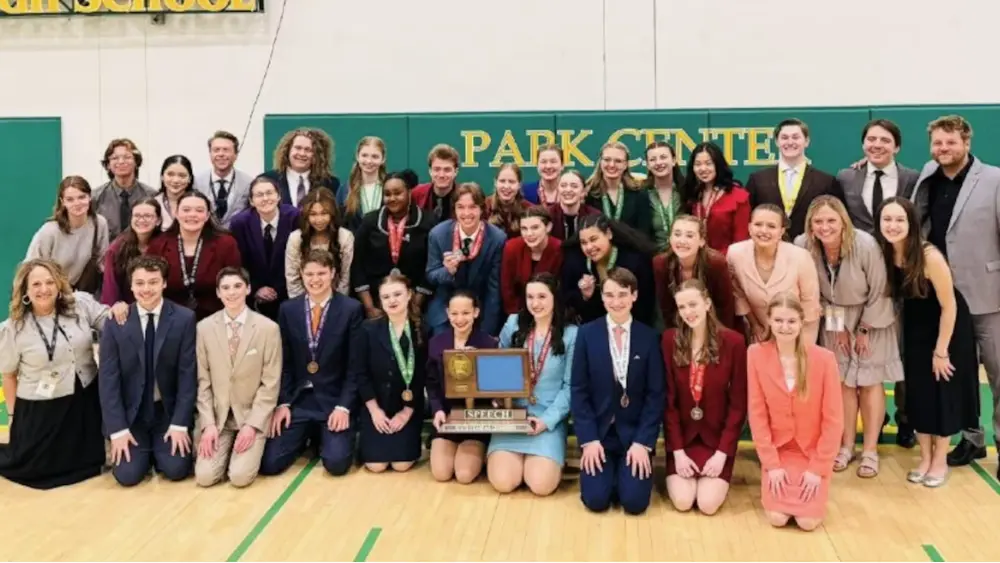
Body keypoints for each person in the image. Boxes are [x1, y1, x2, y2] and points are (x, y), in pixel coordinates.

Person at [909, 115, 1000, 472]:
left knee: (997, 374)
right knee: (957, 375)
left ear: (967, 142)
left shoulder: (993, 179)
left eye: (950, 142)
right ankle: (972, 441)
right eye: (937, 143)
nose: (943, 149)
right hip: (941, 297)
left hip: (986, 294)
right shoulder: (927, 176)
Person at [795, 196, 902, 478]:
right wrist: (836, 324)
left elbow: (881, 289)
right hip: (833, 318)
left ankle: (870, 450)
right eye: (818, 221)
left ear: (843, 221)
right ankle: (846, 445)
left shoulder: (865, 245)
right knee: (841, 381)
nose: (825, 226)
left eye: (831, 220)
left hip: (872, 316)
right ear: (810, 224)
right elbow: (812, 291)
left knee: (869, 382)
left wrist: (865, 329)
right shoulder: (802, 245)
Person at [877, 197, 978, 487]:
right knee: (918, 395)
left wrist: (942, 351)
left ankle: (939, 460)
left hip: (947, 328)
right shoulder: (886, 252)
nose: (893, 225)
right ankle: (924, 457)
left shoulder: (929, 255)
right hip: (915, 328)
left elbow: (950, 307)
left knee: (941, 393)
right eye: (887, 219)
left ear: (911, 223)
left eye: (899, 220)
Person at [0, 259, 111, 489]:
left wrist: (118, 310)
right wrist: (13, 418)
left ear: (59, 285)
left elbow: (108, 320)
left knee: (91, 464)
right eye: (37, 284)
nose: (44, 289)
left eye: (50, 282)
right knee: (33, 470)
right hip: (41, 408)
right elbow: (9, 375)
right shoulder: (14, 328)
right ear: (26, 291)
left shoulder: (79, 305)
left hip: (82, 400)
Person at [260, 249, 364, 477]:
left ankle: (325, 436)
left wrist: (344, 406)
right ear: (301, 274)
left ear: (333, 273)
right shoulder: (288, 309)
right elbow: (284, 362)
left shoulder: (351, 309)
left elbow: (355, 365)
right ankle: (307, 437)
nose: (315, 280)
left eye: (321, 273)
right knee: (269, 464)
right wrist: (284, 403)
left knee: (336, 465)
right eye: (309, 274)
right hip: (300, 401)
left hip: (333, 401)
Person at [571, 268, 665, 515]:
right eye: (609, 295)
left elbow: (655, 396)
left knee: (634, 503)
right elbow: (579, 392)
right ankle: (612, 475)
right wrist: (588, 440)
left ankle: (624, 474)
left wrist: (643, 443)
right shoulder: (587, 334)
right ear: (601, 297)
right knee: (595, 501)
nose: (616, 302)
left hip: (633, 434)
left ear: (634, 296)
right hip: (600, 433)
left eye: (623, 294)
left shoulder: (649, 337)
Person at [747, 291, 843, 531]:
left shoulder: (824, 359)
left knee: (808, 522)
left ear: (802, 322)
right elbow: (757, 415)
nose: (785, 327)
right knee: (777, 519)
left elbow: (833, 421)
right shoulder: (755, 354)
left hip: (812, 453)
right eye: (778, 320)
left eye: (791, 321)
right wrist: (771, 464)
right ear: (769, 320)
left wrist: (818, 468)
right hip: (778, 452)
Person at [98, 255, 198, 486]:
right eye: (140, 283)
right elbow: (108, 381)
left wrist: (180, 423)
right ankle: (146, 451)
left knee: (176, 469)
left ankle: (159, 451)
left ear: (164, 283)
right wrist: (118, 431)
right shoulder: (115, 322)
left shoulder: (184, 319)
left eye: (153, 282)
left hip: (166, 413)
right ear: (131, 286)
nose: (146, 289)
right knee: (128, 476)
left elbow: (187, 376)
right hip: (132, 416)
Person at [662, 279, 747, 515]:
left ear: (707, 303)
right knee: (682, 502)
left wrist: (722, 454)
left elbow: (738, 406)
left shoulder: (734, 342)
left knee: (708, 505)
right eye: (682, 307)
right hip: (683, 441)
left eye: (693, 304)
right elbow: (668, 403)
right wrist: (677, 452)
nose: (688, 312)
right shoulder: (669, 340)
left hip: (716, 441)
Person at [489, 273, 576, 496]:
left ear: (555, 298)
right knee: (503, 482)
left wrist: (546, 421)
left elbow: (570, 387)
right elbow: (495, 369)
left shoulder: (571, 334)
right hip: (512, 416)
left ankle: (553, 455)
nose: (535, 303)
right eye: (530, 297)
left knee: (541, 485)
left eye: (542, 297)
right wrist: (497, 399)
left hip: (547, 417)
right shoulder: (513, 324)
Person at [194, 267, 281, 488]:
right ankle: (222, 450)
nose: (231, 292)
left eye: (237, 286)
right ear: (218, 293)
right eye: (225, 288)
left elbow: (270, 383)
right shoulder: (203, 328)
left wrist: (253, 425)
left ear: (248, 289)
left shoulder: (268, 329)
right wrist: (208, 425)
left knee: (240, 477)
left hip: (251, 415)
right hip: (219, 417)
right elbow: (202, 382)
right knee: (204, 477)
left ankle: (244, 452)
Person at [425, 290, 498, 483]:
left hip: (476, 418)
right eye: (454, 313)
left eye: (465, 313)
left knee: (464, 475)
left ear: (476, 312)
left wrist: (477, 364)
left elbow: (496, 387)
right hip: (448, 416)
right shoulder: (436, 343)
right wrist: (438, 410)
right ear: (447, 313)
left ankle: (482, 453)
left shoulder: (489, 344)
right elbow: (431, 384)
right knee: (441, 473)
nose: (460, 319)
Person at [356, 274, 426, 472]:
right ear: (380, 300)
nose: (392, 300)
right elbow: (360, 373)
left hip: (407, 405)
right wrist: (374, 411)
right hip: (375, 405)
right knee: (376, 466)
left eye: (397, 294)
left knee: (401, 465)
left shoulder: (422, 329)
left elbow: (422, 376)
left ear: (409, 295)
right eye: (386, 297)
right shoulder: (367, 329)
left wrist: (407, 411)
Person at [728, 204, 821, 344]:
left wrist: (802, 345)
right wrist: (754, 325)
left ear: (781, 231)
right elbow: (739, 295)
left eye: (771, 226)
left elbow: (810, 306)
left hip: (797, 333)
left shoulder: (801, 257)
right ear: (749, 227)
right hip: (758, 331)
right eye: (758, 224)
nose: (764, 231)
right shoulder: (735, 253)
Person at [146, 191, 242, 321]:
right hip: (169, 319)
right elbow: (149, 284)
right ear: (176, 213)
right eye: (186, 210)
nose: (192, 215)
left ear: (207, 215)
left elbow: (235, 284)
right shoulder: (159, 245)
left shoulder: (226, 244)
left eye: (199, 210)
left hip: (216, 319)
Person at [425, 182, 506, 336]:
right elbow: (431, 275)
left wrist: (488, 330)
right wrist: (448, 271)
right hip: (445, 308)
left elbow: (493, 289)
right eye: (461, 207)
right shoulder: (438, 234)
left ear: (482, 209)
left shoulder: (497, 238)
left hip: (480, 308)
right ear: (454, 209)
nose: (466, 213)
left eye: (472, 207)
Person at [351, 170, 434, 317]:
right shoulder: (370, 221)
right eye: (387, 194)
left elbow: (430, 268)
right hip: (376, 301)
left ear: (409, 193)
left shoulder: (428, 222)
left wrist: (416, 306)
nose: (392, 198)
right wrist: (370, 307)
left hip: (415, 301)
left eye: (398, 193)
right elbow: (357, 266)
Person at [561, 214, 657, 326]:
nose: (589, 247)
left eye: (594, 239)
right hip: (595, 328)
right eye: (584, 243)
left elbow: (646, 306)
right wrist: (585, 297)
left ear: (608, 234)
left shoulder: (635, 262)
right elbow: (569, 301)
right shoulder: (576, 263)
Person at [229, 176, 301, 320]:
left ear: (278, 196)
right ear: (251, 201)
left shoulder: (294, 217)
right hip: (253, 296)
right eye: (259, 195)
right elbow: (238, 263)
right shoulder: (240, 223)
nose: (265, 198)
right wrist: (255, 288)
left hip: (289, 293)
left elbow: (300, 258)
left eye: (269, 193)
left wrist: (281, 290)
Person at [25, 175, 110, 294]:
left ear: (90, 197)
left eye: (82, 197)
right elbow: (31, 267)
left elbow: (102, 262)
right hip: (50, 292)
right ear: (62, 202)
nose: (77, 203)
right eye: (70, 199)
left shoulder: (99, 224)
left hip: (81, 292)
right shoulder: (50, 231)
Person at [652, 214, 738, 331]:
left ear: (702, 241)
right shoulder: (660, 263)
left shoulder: (716, 263)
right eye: (677, 234)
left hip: (715, 326)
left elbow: (725, 308)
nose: (682, 241)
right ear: (670, 238)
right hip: (679, 325)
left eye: (689, 236)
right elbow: (667, 308)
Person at [679, 142, 750, 254]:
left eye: (708, 163)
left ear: (718, 165)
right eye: (698, 164)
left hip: (727, 263)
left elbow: (741, 242)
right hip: (695, 262)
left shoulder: (738, 196)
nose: (703, 168)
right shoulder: (691, 194)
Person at [500, 206, 563, 315]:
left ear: (548, 227)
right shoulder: (512, 248)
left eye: (535, 228)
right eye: (524, 228)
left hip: (551, 312)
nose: (529, 234)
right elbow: (507, 289)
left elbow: (560, 291)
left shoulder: (559, 249)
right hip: (518, 311)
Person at [101, 197, 163, 306]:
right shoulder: (116, 249)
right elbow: (110, 289)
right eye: (137, 216)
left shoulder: (166, 245)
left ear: (158, 220)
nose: (142, 220)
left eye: (148, 216)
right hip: (126, 309)